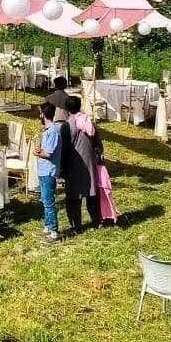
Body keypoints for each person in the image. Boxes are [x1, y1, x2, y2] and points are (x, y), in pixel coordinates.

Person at [62, 95, 100, 233]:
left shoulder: (67, 126)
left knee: (73, 198)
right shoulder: (89, 122)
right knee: (92, 194)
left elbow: (64, 149)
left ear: (67, 109)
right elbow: (98, 144)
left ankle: (76, 226)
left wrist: (61, 168)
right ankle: (97, 220)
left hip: (74, 164)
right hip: (90, 162)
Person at [32, 102, 62, 242]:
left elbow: (49, 153)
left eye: (40, 113)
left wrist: (37, 153)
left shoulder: (53, 131)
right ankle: (47, 226)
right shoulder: (48, 130)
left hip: (49, 171)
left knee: (49, 202)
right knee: (44, 200)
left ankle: (54, 231)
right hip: (43, 170)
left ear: (43, 115)